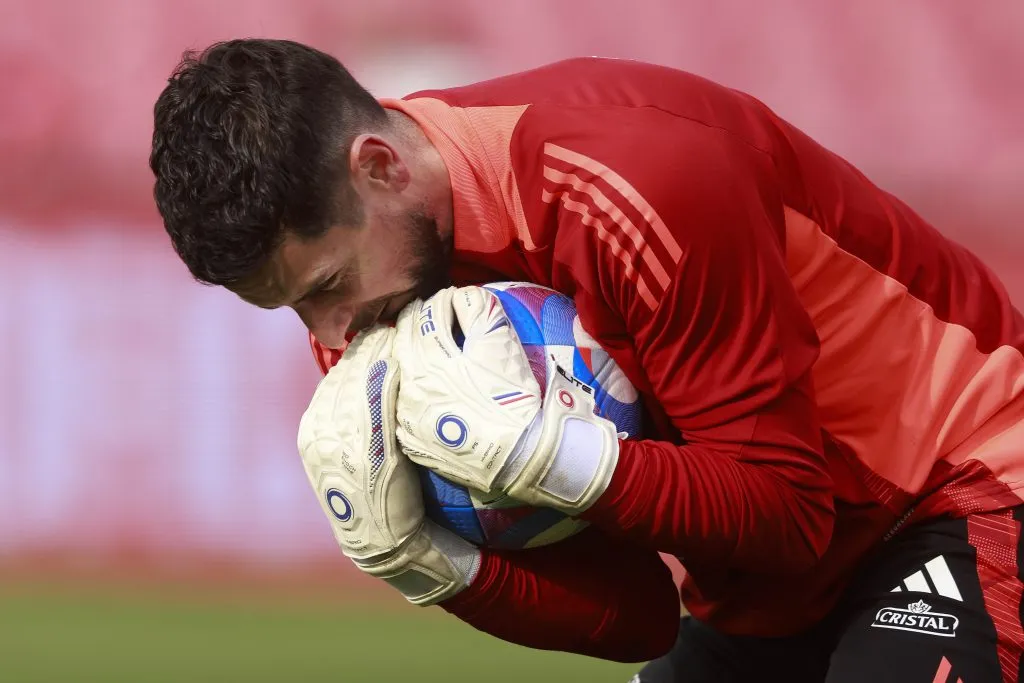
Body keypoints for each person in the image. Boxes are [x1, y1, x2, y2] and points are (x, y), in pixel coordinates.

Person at [149, 38, 1024, 682]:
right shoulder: (376, 315)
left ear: (378, 166)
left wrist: (550, 460)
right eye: (296, 307)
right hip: (775, 578)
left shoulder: (634, 178)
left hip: (965, 477)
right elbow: (638, 613)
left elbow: (787, 514)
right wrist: (435, 564)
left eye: (327, 284)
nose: (332, 336)